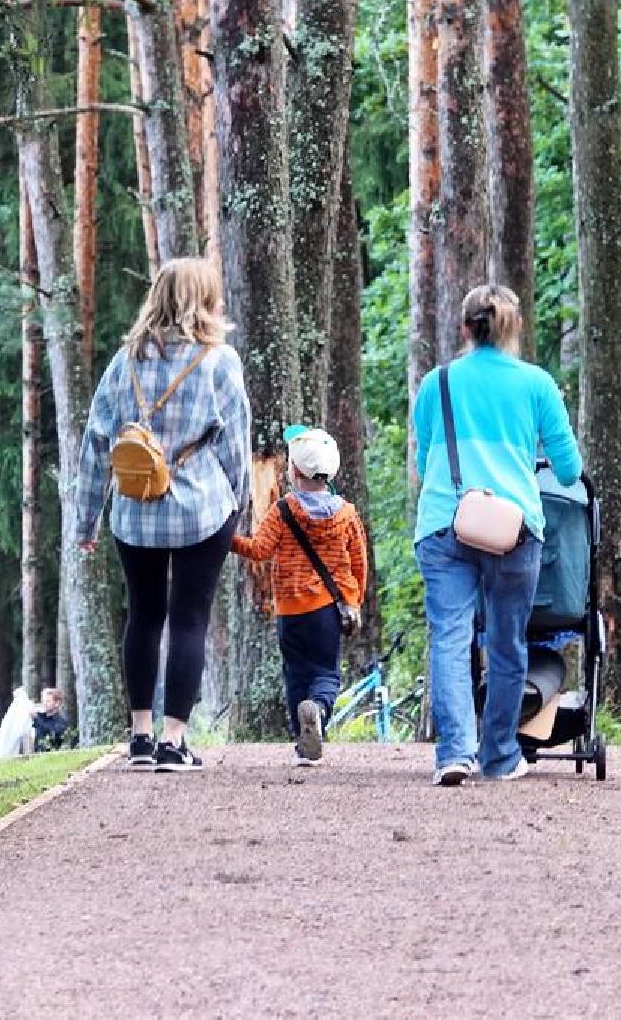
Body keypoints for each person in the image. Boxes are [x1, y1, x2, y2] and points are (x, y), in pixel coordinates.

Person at [76, 257, 251, 773]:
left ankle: (140, 735)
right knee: (190, 618)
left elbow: (96, 445)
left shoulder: (123, 363)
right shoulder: (219, 363)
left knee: (144, 616)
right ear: (206, 300)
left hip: (135, 510)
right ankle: (176, 741)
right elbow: (235, 445)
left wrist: (87, 520)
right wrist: (239, 502)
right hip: (201, 507)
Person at [412, 284, 581, 786]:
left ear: (465, 329)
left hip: (446, 521)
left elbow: (425, 464)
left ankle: (453, 754)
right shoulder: (537, 385)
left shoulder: (436, 384)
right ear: (514, 329)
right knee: (508, 643)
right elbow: (569, 471)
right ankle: (500, 755)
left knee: (450, 636)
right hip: (514, 530)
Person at [230, 426, 369, 767]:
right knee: (326, 672)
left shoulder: (283, 510)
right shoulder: (346, 514)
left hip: (290, 611)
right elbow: (359, 561)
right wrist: (355, 600)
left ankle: (301, 738)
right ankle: (319, 710)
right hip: (328, 609)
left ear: (292, 471)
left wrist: (226, 538)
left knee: (296, 672)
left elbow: (259, 550)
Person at [30, 688, 71, 752]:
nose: (44, 704)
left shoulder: (61, 722)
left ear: (57, 703)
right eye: (43, 701)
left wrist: (37, 719)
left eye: (48, 701)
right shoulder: (40, 717)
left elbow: (53, 733)